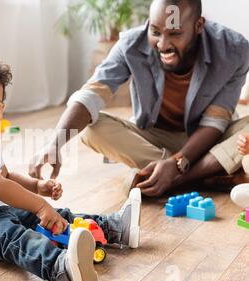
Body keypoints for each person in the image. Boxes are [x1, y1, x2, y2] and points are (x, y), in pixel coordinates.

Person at [0, 53, 142, 281]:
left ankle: (115, 228)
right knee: (11, 235)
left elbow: (5, 175)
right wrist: (41, 205)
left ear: (2, 107)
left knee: (58, 216)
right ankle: (61, 267)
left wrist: (37, 186)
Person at [29, 0, 249, 197]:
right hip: (153, 135)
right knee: (90, 128)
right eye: (155, 31)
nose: (163, 44)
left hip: (208, 138)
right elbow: (92, 95)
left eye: (174, 33)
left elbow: (215, 122)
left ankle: (176, 177)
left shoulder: (234, 50)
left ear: (198, 25)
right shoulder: (131, 45)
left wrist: (176, 164)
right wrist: (54, 143)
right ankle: (201, 173)